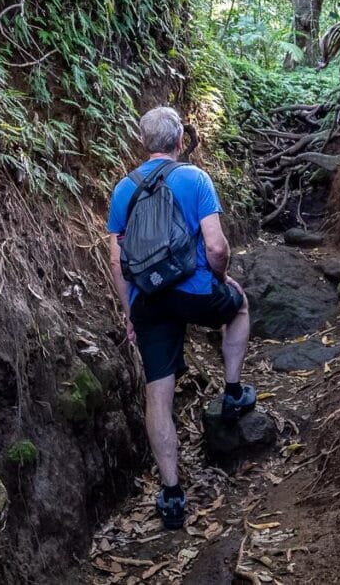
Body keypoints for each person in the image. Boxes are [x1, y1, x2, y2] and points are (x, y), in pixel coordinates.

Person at [107, 106, 256, 530]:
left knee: (159, 394)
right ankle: (232, 392)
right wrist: (222, 280)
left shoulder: (123, 189)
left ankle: (172, 496)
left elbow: (118, 263)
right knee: (240, 306)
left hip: (148, 300)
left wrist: (129, 312)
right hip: (193, 291)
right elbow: (216, 248)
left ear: (144, 143)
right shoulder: (195, 178)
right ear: (178, 141)